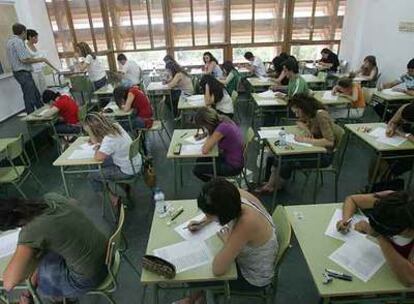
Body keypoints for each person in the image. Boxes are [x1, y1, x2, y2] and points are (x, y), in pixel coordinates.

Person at [174, 178, 278, 303]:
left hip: (253, 277)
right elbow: (220, 209)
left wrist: (227, 240)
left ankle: (194, 298)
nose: (207, 217)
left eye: (209, 214)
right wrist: (202, 222)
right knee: (209, 254)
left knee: (194, 275)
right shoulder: (234, 195)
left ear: (224, 214)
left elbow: (218, 270)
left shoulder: (247, 222)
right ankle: (196, 298)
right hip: (252, 257)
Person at [2, 193, 107, 303]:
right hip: (106, 253)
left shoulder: (30, 232)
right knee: (43, 258)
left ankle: (61, 300)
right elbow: (74, 202)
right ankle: (29, 294)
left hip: (93, 276)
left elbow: (9, 284)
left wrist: (23, 253)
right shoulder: (51, 198)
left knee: (43, 280)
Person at [256, 94, 343, 193]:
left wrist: (305, 140)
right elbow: (299, 122)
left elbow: (329, 142)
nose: (296, 115)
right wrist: (306, 129)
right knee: (275, 155)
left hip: (324, 155)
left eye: (297, 112)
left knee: (285, 160)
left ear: (303, 108)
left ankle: (275, 186)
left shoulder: (320, 115)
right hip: (314, 148)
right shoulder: (310, 113)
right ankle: (270, 184)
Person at [336, 190, 414, 286]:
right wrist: (346, 220)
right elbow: (352, 199)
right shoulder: (391, 201)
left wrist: (379, 236)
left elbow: (409, 279)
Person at [83, 113, 142, 205]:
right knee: (99, 166)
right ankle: (114, 186)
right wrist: (98, 141)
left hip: (126, 170)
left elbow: (98, 157)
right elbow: (107, 143)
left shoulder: (108, 139)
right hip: (134, 162)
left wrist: (96, 143)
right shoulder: (115, 126)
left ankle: (113, 198)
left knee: (91, 176)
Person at [6, 23, 56, 113]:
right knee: (30, 96)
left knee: (36, 94)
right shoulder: (18, 42)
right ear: (23, 32)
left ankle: (43, 112)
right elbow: (24, 59)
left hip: (19, 72)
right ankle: (32, 116)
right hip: (23, 72)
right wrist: (40, 59)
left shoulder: (10, 41)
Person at [193, 108, 243, 182]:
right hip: (234, 158)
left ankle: (215, 184)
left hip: (232, 166)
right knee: (200, 160)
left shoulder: (222, 128)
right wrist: (206, 134)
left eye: (204, 126)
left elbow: (205, 150)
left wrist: (208, 137)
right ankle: (215, 182)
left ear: (207, 123)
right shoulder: (223, 119)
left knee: (196, 170)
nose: (205, 128)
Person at [26, 29, 57, 95]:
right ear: (30, 37)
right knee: (37, 89)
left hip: (40, 70)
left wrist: (55, 69)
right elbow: (28, 60)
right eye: (35, 37)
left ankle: (45, 102)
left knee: (44, 88)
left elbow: (43, 59)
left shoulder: (34, 46)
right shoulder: (26, 47)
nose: (37, 39)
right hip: (33, 71)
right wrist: (40, 59)